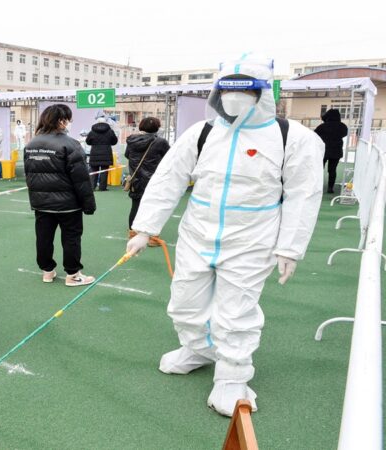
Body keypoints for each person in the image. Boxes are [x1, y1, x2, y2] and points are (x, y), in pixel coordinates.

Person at [125, 55, 324, 417]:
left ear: (262, 93)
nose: (233, 100)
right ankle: (198, 348)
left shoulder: (292, 137)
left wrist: (290, 248)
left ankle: (232, 377)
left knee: (236, 311)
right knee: (185, 299)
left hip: (252, 239)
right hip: (198, 232)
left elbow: (303, 193)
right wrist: (144, 229)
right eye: (227, 91)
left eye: (244, 91)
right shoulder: (203, 132)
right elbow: (168, 179)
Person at [24, 104, 96, 286]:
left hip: (41, 203)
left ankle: (47, 271)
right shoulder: (71, 144)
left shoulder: (31, 144)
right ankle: (73, 275)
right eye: (68, 119)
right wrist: (88, 204)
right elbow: (81, 179)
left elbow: (29, 175)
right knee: (71, 237)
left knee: (44, 237)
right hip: (68, 204)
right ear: (62, 121)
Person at [124, 116, 170, 238]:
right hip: (154, 179)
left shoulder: (132, 140)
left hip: (136, 179)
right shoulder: (160, 142)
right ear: (157, 128)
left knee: (135, 206)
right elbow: (169, 158)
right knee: (154, 208)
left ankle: (133, 233)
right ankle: (152, 237)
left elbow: (127, 155)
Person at [314, 108, 348, 194]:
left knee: (319, 169)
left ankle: (316, 186)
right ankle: (330, 188)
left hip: (323, 151)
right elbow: (345, 134)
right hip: (336, 151)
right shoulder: (342, 126)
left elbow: (315, 135)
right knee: (332, 170)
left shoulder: (322, 127)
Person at [86, 116, 119, 191]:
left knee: (94, 170)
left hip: (94, 153)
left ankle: (92, 187)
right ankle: (102, 187)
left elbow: (88, 142)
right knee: (104, 170)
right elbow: (114, 141)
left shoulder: (92, 131)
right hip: (106, 153)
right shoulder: (110, 131)